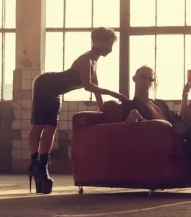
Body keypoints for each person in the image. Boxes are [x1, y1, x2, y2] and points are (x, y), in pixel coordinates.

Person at [28, 27, 127, 194]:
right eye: (109, 44)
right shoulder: (85, 59)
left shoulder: (94, 62)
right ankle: (33, 163)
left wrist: (103, 108)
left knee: (51, 127)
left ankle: (42, 166)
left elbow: (96, 88)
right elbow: (88, 86)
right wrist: (114, 94)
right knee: (39, 126)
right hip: (45, 84)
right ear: (98, 41)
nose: (110, 49)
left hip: (56, 92)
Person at [122, 66, 191, 199]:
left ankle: (187, 127)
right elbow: (136, 122)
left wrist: (185, 94)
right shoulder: (130, 104)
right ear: (134, 79)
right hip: (166, 135)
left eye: (150, 79)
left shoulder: (160, 103)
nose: (147, 81)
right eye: (143, 77)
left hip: (177, 128)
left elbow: (179, 117)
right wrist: (134, 112)